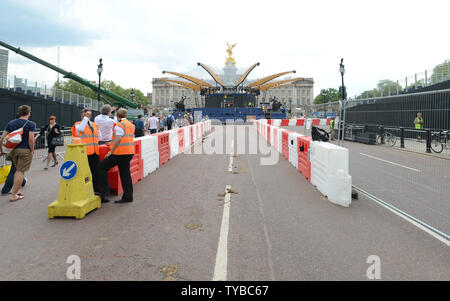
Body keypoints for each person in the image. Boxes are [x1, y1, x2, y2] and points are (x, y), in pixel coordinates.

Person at [72, 109, 109, 203]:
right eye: (86, 114)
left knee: (97, 173)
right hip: (83, 152)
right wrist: (85, 119)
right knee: (82, 174)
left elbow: (99, 137)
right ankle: (80, 194)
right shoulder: (78, 124)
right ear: (82, 115)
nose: (88, 116)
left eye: (89, 114)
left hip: (94, 152)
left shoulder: (94, 125)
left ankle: (99, 193)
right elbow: (79, 130)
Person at [0, 105, 36, 202]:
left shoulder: (11, 123)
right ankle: (14, 195)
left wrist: (1, 150)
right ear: (28, 113)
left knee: (16, 170)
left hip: (13, 151)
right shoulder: (31, 124)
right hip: (24, 150)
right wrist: (32, 150)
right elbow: (31, 139)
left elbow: (2, 138)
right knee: (20, 171)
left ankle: (16, 190)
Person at [100, 108, 135, 203]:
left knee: (102, 167)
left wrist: (111, 150)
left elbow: (119, 139)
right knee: (125, 175)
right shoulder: (131, 125)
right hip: (129, 152)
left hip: (120, 153)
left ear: (117, 116)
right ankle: (128, 196)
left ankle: (104, 193)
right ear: (126, 116)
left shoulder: (119, 125)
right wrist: (111, 143)